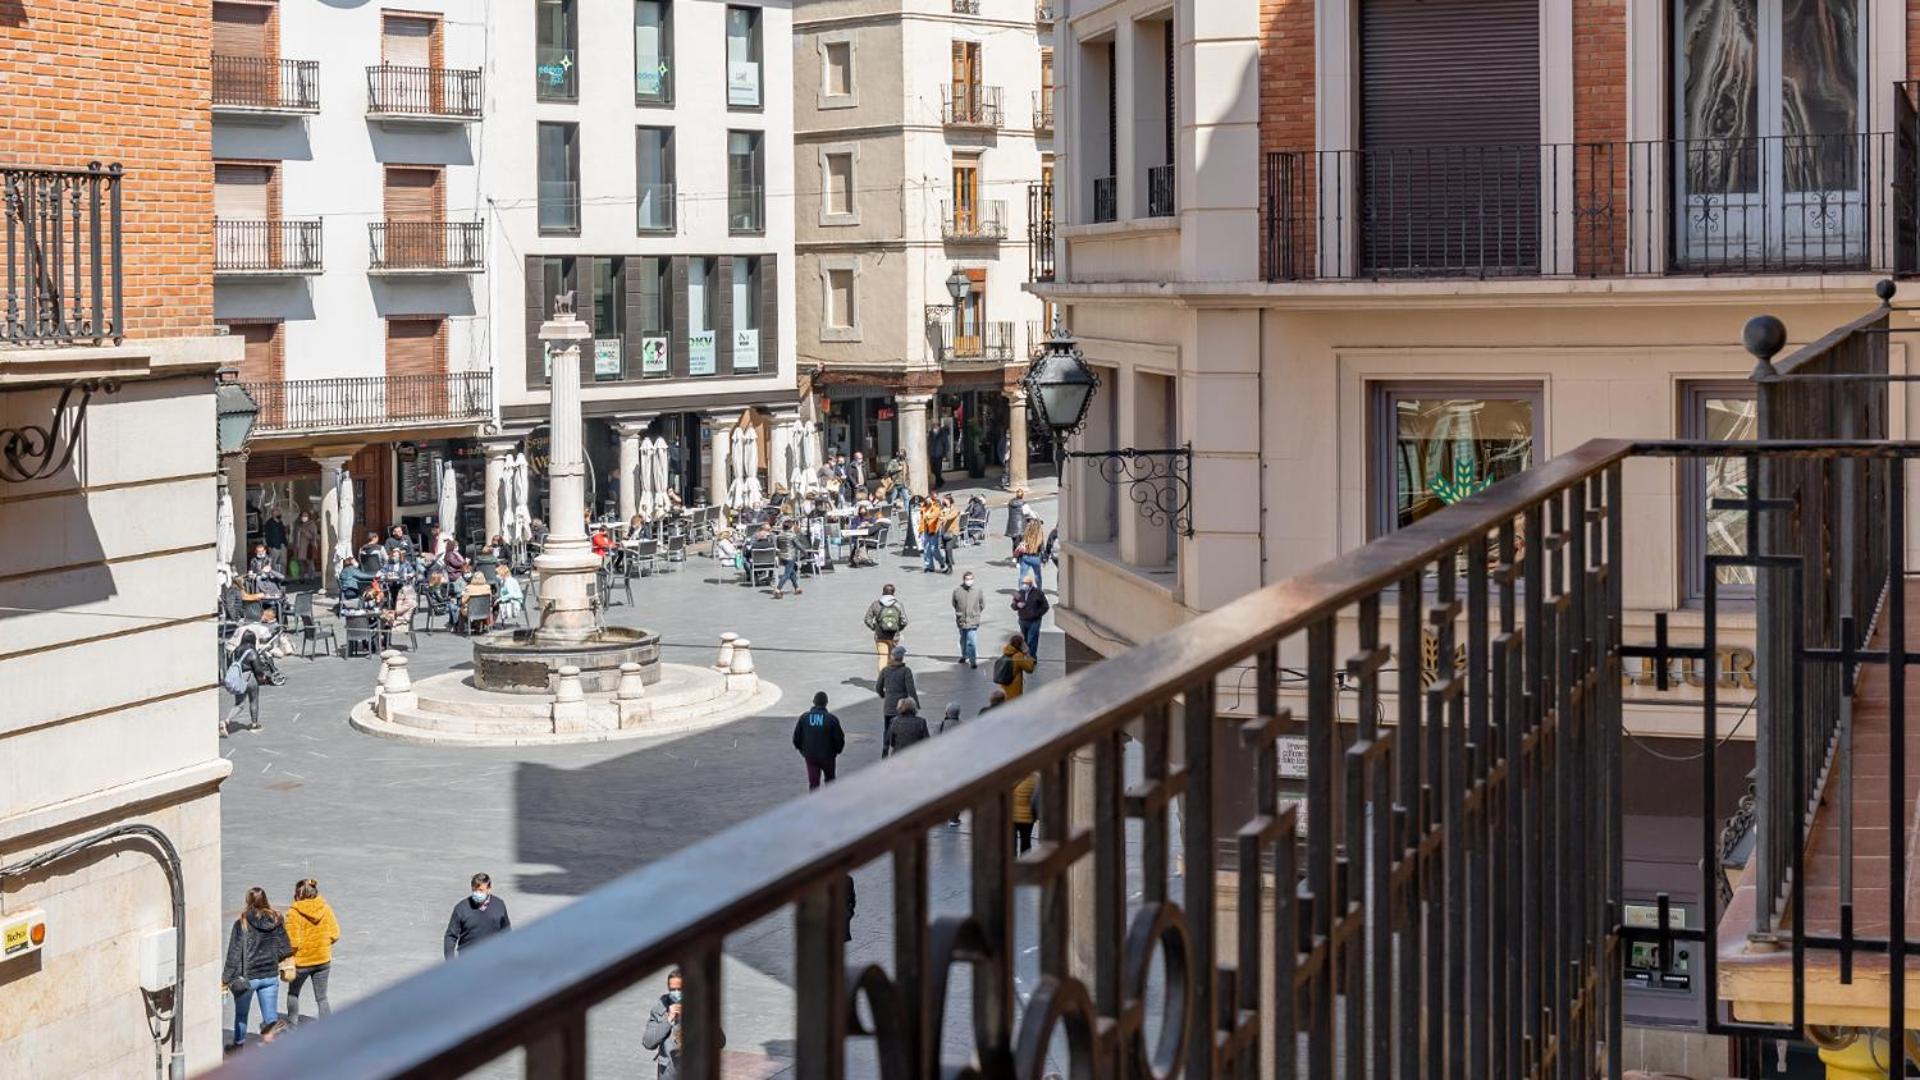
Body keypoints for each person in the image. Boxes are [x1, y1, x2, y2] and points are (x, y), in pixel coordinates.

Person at [223, 886, 294, 1049]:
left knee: (241, 1014)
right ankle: (272, 1048)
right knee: (270, 1018)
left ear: (248, 901)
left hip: (248, 978)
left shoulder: (242, 923)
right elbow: (285, 948)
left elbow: (234, 953)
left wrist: (225, 978)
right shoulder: (276, 920)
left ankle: (238, 1046)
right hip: (270, 975)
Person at [642, 969, 725, 1080]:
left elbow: (720, 1041)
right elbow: (648, 1042)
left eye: (680, 989)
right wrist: (668, 1020)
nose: (676, 993)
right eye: (672, 989)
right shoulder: (660, 1009)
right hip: (669, 1074)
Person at [283, 878, 339, 1026]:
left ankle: (292, 1025)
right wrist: (322, 945)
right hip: (323, 960)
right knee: (322, 998)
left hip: (302, 962)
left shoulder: (294, 912)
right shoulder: (325, 908)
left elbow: (292, 942)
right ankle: (328, 1026)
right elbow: (335, 933)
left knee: (293, 993)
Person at [444, 872, 511, 958]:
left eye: (481, 890)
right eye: (474, 890)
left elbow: (506, 932)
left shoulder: (499, 905)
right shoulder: (461, 908)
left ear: (489, 889)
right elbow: (451, 936)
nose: (477, 893)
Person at [792, 691, 846, 789]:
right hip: (828, 756)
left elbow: (796, 738)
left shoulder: (804, 718)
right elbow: (839, 739)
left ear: (813, 702)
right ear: (826, 703)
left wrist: (803, 751)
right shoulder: (832, 719)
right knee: (830, 781)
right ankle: (829, 801)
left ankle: (815, 802)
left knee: (813, 783)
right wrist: (837, 751)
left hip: (810, 756)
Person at [876, 645, 917, 756]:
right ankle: (897, 748)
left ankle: (885, 748)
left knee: (887, 728)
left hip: (888, 705)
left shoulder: (885, 670)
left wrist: (884, 695)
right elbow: (911, 689)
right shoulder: (906, 671)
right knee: (902, 727)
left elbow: (878, 687)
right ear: (902, 658)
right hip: (903, 705)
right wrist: (915, 703)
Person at [864, 584, 907, 675]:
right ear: (893, 593)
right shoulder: (898, 604)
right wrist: (897, 629)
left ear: (883, 592)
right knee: (892, 658)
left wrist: (874, 628)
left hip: (880, 636)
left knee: (882, 657)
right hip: (894, 637)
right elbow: (904, 621)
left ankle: (882, 680)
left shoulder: (876, 604)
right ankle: (891, 680)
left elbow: (867, 619)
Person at [951, 571, 984, 668]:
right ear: (964, 580)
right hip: (962, 619)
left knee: (971, 641)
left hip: (973, 621)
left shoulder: (977, 591)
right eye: (967, 579)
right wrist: (959, 613)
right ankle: (964, 655)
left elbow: (982, 604)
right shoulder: (957, 591)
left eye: (971, 579)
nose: (969, 581)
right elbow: (954, 603)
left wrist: (976, 613)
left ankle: (973, 660)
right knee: (963, 640)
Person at [1014, 573, 1050, 660]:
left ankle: (1032, 657)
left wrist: (1036, 614)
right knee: (1024, 640)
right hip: (1023, 620)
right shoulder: (1020, 593)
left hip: (1034, 621)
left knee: (1032, 639)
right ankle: (1025, 655)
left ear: (1030, 584)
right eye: (1023, 583)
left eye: (1025, 583)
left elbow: (1045, 606)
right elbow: (1013, 605)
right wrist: (1017, 605)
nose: (1024, 585)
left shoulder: (1038, 593)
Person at [993, 633, 1037, 699]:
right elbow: (1030, 669)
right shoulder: (1018, 656)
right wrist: (1028, 655)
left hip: (1004, 687)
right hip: (1014, 689)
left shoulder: (1007, 651)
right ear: (1020, 645)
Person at [772, 519, 803, 599]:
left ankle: (797, 588)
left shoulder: (779, 535)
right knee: (787, 574)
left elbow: (778, 546)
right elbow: (798, 545)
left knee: (791, 572)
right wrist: (805, 552)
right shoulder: (792, 535)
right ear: (790, 527)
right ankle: (778, 589)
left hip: (782, 556)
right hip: (790, 556)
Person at [1011, 771, 1039, 854]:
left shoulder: (1015, 779)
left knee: (1012, 844)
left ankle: (1013, 864)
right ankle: (1025, 863)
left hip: (1014, 817)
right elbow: (1036, 800)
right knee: (1026, 842)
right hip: (1027, 818)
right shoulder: (1035, 781)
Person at [459, 569, 493, 634]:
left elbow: (463, 601)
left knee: (461, 611)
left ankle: (460, 629)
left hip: (472, 610)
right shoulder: (487, 587)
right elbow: (490, 599)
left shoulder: (469, 588)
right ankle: (479, 628)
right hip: (484, 610)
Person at [1016, 517, 1047, 589]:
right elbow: (1042, 548)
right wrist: (1044, 559)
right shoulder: (1039, 535)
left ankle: (1021, 592)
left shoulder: (1026, 533)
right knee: (1037, 575)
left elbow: (1019, 543)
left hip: (1025, 557)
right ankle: (1039, 591)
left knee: (1022, 575)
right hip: (1035, 557)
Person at [936, 495, 962, 574]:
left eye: (945, 500)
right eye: (943, 500)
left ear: (949, 500)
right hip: (945, 533)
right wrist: (935, 529)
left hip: (953, 532)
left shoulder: (955, 508)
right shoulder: (942, 509)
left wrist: (944, 517)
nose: (944, 501)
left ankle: (950, 566)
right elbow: (939, 520)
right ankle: (948, 567)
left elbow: (951, 516)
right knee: (946, 550)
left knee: (948, 548)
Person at [290, 510, 319, 579]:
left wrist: (305, 532)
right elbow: (295, 537)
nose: (304, 517)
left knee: (310, 563)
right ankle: (302, 577)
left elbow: (313, 536)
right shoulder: (298, 525)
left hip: (308, 547)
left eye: (305, 516)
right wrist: (294, 546)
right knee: (301, 563)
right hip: (299, 547)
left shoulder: (312, 524)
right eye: (303, 516)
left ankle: (311, 577)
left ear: (308, 517)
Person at [919, 497, 943, 572]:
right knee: (926, 549)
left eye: (930, 500)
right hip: (926, 530)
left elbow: (936, 514)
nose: (929, 501)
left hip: (934, 530)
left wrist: (927, 516)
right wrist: (920, 531)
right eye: (927, 499)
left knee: (933, 549)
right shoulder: (923, 509)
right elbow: (922, 521)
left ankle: (941, 561)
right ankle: (929, 566)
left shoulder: (935, 507)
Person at [263, 511, 289, 575]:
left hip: (282, 545)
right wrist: (269, 546)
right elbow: (267, 535)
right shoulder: (269, 523)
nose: (278, 514)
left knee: (283, 563)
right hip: (274, 546)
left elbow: (283, 533)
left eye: (278, 513)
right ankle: (274, 577)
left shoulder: (280, 522)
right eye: (277, 513)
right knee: (273, 563)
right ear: (273, 514)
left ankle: (282, 578)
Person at [1004, 488, 1029, 555]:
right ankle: (1019, 557)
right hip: (1021, 525)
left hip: (1012, 525)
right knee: (1021, 542)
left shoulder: (1010, 503)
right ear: (1022, 496)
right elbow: (1027, 512)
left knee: (1014, 541)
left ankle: (1014, 555)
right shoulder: (1023, 504)